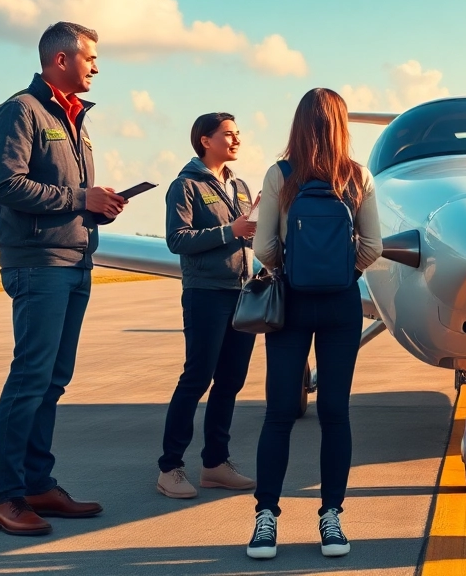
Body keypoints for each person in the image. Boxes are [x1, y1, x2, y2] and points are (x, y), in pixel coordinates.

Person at [0, 21, 125, 536]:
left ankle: (38, 484)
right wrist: (78, 199)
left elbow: (67, 192)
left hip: (74, 259)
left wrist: (98, 206)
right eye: (90, 58)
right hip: (38, 264)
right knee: (29, 378)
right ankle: (5, 497)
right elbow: (7, 185)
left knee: (53, 380)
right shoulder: (21, 111)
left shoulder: (75, 120)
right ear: (60, 59)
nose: (95, 67)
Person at [246, 88, 382, 560]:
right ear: (342, 124)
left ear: (299, 123)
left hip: (292, 303)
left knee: (279, 414)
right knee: (335, 413)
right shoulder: (358, 176)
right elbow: (373, 246)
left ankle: (266, 520)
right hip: (342, 304)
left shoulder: (280, 175)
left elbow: (263, 247)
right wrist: (347, 272)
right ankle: (331, 519)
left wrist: (288, 268)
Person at [156, 113, 259, 499]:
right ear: (205, 140)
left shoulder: (242, 186)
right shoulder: (185, 186)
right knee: (197, 378)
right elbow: (177, 240)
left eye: (238, 134)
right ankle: (170, 468)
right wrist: (229, 231)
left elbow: (248, 236)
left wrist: (260, 223)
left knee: (231, 381)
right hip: (206, 293)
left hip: (242, 293)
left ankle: (215, 463)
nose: (236, 140)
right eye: (228, 134)